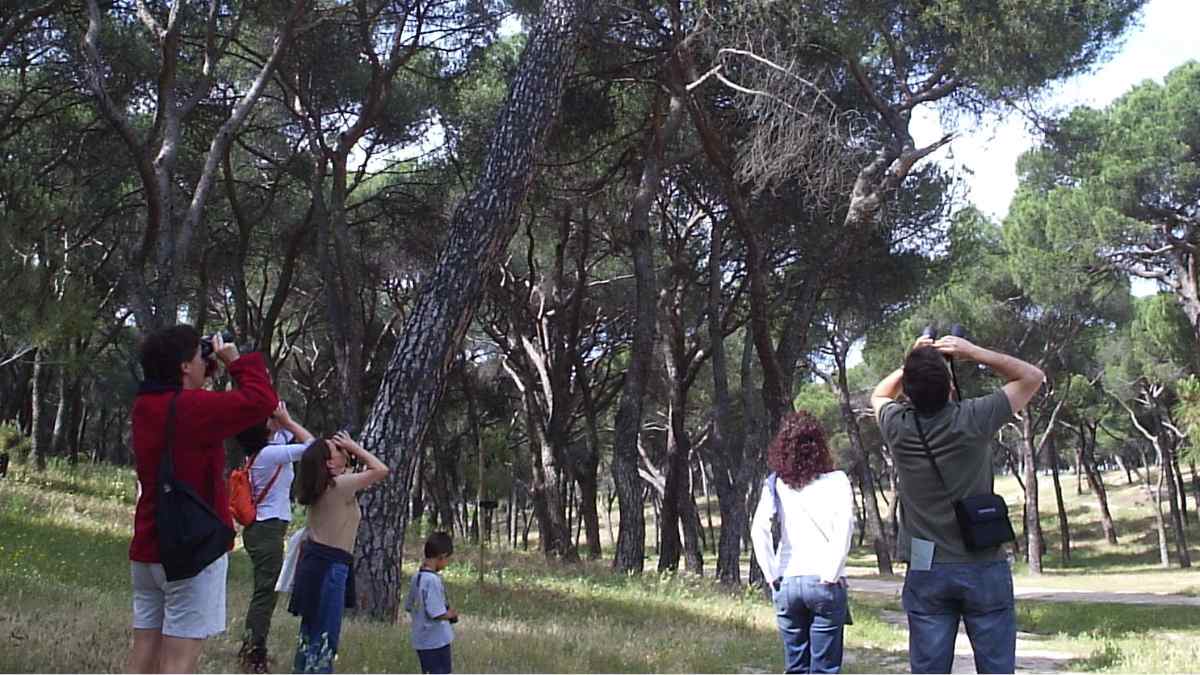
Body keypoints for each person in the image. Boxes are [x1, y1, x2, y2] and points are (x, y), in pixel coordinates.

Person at [871, 333, 1043, 674]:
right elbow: (1032, 377)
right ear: (951, 387)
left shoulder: (898, 426)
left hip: (925, 561)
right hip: (982, 559)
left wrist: (914, 359)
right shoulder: (974, 417)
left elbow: (878, 394)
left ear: (908, 389)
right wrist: (973, 352)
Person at [129, 326, 278, 673]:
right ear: (184, 366)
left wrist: (205, 363)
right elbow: (262, 402)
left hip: (149, 544)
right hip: (191, 549)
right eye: (199, 357)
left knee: (143, 656)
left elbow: (187, 400)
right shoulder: (194, 409)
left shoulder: (145, 406)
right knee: (178, 662)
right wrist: (235, 361)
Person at [751, 411, 856, 674]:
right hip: (823, 581)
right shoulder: (837, 480)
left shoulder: (775, 484)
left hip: (787, 581)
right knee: (824, 668)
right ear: (819, 445)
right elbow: (844, 528)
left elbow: (758, 529)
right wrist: (831, 573)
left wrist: (771, 574)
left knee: (795, 667)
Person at [290, 431, 390, 673]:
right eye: (336, 450)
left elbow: (312, 448)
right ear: (329, 463)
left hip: (314, 562)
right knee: (326, 634)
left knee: (311, 630)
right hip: (330, 567)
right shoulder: (340, 485)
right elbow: (380, 469)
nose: (341, 450)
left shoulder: (323, 484)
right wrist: (354, 447)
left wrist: (345, 453)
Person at [236, 402, 315, 673]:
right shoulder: (270, 454)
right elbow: (313, 448)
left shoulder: (265, 449)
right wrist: (290, 422)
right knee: (265, 593)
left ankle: (254, 647)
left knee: (266, 591)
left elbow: (284, 433)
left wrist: (280, 418)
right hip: (266, 529)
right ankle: (253, 651)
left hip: (265, 528)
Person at [404, 532, 458, 675]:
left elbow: (409, 606)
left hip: (421, 640)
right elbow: (436, 612)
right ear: (442, 556)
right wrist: (450, 614)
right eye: (447, 560)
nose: (446, 564)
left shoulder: (417, 577)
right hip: (436, 641)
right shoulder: (432, 581)